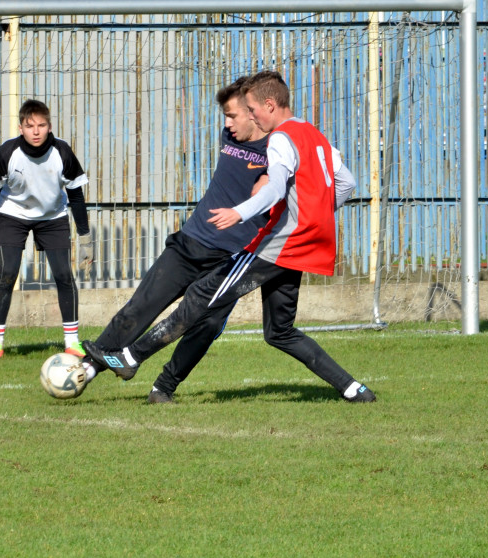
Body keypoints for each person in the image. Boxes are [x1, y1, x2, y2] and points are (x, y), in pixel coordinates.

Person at [84, 70, 376, 404]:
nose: (248, 116)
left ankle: (131, 357)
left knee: (202, 297)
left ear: (269, 105)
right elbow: (346, 183)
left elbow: (277, 186)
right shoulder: (313, 134)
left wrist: (241, 212)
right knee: (279, 332)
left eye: (251, 110)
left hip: (276, 245)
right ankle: (354, 389)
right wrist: (314, 215)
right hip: (301, 247)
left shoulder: (279, 138)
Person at [80, 76, 271, 403]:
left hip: (232, 259)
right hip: (191, 242)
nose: (226, 124)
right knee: (141, 306)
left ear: (255, 113)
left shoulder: (280, 150)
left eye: (232, 115)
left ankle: (163, 388)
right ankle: (85, 370)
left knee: (206, 327)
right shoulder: (233, 136)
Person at [0, 99, 93, 361]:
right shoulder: (7, 153)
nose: (36, 131)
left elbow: (76, 197)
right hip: (12, 215)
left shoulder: (62, 152)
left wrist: (85, 238)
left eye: (41, 125)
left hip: (52, 217)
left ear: (49, 127)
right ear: (21, 128)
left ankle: (72, 342)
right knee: (7, 273)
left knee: (64, 275)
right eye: (30, 126)